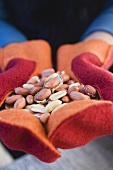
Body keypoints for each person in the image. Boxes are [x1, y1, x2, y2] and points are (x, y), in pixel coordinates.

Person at [0, 0, 113, 158]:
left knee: (93, 136)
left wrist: (98, 42)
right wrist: (15, 51)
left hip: (87, 35)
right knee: (24, 140)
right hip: (15, 49)